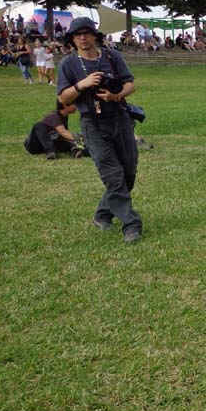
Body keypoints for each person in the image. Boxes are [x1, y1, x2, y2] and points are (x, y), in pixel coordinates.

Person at [56, 17, 143, 244]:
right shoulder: (68, 64)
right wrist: (81, 85)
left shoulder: (112, 56)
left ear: (95, 36)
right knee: (113, 175)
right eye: (77, 35)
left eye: (86, 33)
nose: (83, 38)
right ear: (72, 39)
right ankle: (131, 224)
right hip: (92, 124)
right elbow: (63, 97)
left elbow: (130, 83)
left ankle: (103, 214)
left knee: (128, 172)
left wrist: (117, 95)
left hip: (120, 118)